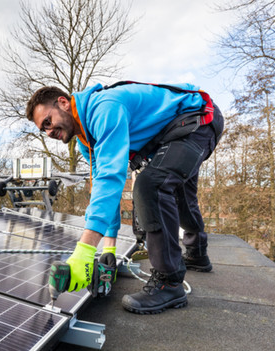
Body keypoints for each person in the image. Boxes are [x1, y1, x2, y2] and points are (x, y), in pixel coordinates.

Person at [25, 81, 223, 314]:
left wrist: (85, 251)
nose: (48, 132)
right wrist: (109, 248)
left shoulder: (105, 108)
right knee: (180, 196)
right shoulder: (85, 140)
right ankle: (197, 254)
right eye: (43, 129)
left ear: (63, 103)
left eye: (48, 122)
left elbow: (112, 176)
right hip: (177, 132)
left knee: (151, 186)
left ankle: (168, 283)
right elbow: (104, 189)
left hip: (198, 120)